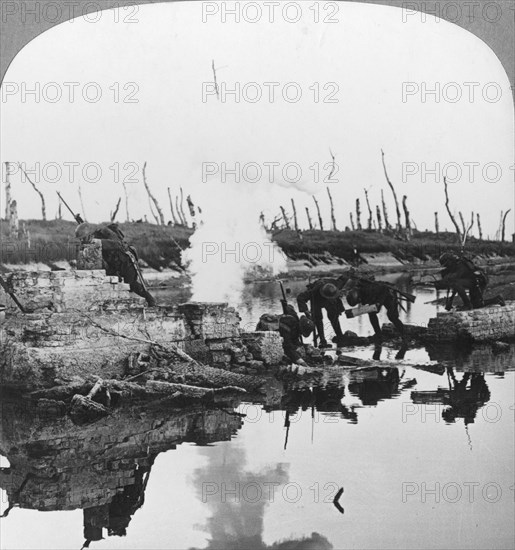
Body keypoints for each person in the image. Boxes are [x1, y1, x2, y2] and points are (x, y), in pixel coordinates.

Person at [75, 222, 156, 307]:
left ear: (89, 235)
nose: (81, 241)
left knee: (131, 284)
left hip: (126, 261)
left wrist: (100, 242)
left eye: (83, 238)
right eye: (80, 239)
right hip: (114, 264)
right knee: (113, 280)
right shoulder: (93, 240)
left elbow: (118, 244)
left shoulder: (104, 236)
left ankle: (150, 300)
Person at [434, 253, 504, 310]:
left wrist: (440, 283)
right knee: (477, 305)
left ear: (450, 261)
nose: (446, 266)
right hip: (473, 281)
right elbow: (455, 284)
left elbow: (454, 281)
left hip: (479, 281)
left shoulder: (461, 265)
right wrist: (450, 302)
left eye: (446, 264)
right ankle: (497, 299)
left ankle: (467, 305)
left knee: (455, 283)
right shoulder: (455, 265)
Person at [345, 276, 405, 342]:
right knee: (371, 313)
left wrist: (378, 303)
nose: (359, 302)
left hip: (388, 294)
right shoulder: (359, 290)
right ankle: (378, 334)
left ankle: (404, 335)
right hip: (377, 296)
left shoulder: (367, 290)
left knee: (392, 316)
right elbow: (368, 299)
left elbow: (384, 289)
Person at [256, 300, 314, 365]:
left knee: (296, 345)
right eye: (301, 332)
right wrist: (301, 361)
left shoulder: (294, 318)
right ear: (300, 328)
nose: (301, 334)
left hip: (282, 330)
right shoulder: (286, 327)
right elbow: (288, 347)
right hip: (264, 330)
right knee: (287, 349)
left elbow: (290, 308)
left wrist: (285, 305)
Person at [297, 276, 348, 348]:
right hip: (317, 300)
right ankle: (322, 340)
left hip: (330, 300)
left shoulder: (335, 285)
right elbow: (300, 297)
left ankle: (340, 336)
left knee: (334, 315)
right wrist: (306, 311)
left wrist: (339, 308)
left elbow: (343, 279)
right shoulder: (313, 291)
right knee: (318, 318)